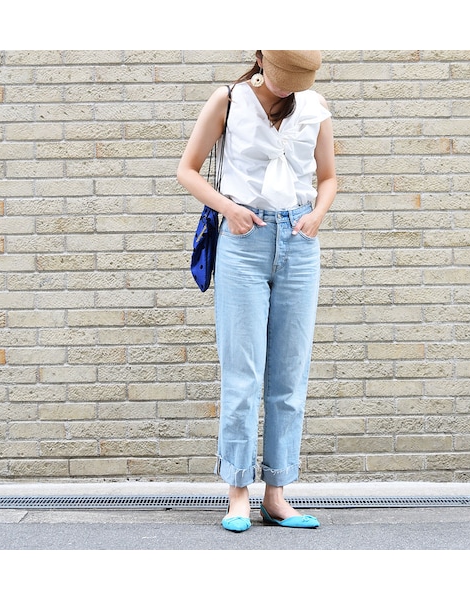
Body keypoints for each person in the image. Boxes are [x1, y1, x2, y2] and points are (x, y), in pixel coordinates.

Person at [177, 50, 337, 532]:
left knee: (290, 376)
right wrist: (228, 208)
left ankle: (277, 494)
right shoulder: (228, 100)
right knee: (242, 374)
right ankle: (237, 493)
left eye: (298, 79)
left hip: (299, 240)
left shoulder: (315, 107)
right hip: (243, 240)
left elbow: (328, 178)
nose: (290, 86)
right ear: (262, 58)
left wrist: (317, 215)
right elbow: (187, 169)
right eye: (284, 75)